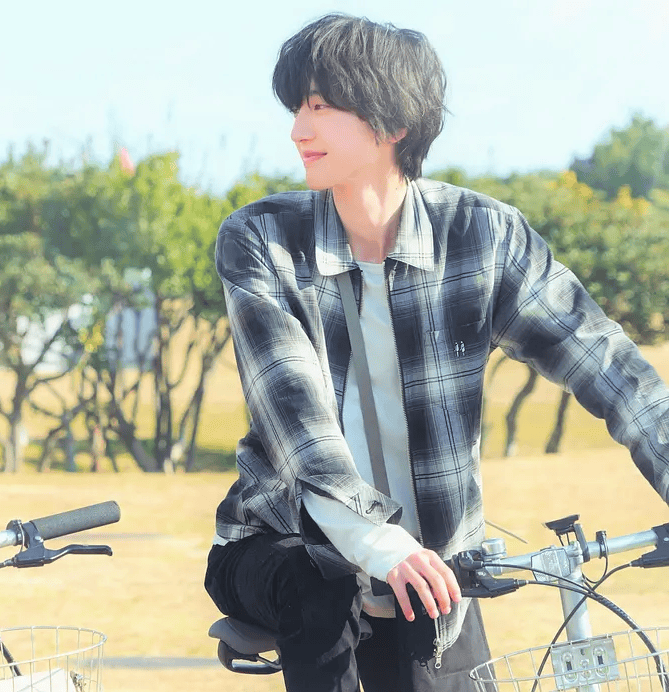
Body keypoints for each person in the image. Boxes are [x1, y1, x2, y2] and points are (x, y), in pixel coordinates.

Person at [203, 13, 669, 692]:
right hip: (285, 547)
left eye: (321, 106)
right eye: (298, 107)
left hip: (436, 569)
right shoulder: (262, 240)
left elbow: (609, 367)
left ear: (392, 122)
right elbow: (296, 420)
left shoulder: (484, 237)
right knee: (319, 585)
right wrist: (380, 545)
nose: (298, 129)